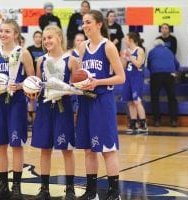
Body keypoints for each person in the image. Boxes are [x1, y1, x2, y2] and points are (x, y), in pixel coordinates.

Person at [76, 10, 125, 200]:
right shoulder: (82, 47)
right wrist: (77, 85)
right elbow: (81, 74)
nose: (85, 26)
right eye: (83, 23)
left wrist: (98, 82)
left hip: (102, 101)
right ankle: (91, 192)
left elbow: (121, 77)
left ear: (99, 24)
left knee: (107, 149)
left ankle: (114, 193)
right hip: (85, 100)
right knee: (89, 149)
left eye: (88, 22)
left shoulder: (108, 46)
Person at [26, 25, 79, 200]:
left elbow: (77, 87)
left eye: (50, 37)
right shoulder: (40, 61)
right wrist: (32, 92)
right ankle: (44, 188)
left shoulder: (71, 60)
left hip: (63, 108)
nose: (46, 41)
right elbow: (37, 85)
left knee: (67, 149)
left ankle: (70, 189)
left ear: (59, 38)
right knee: (45, 149)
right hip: (45, 108)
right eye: (45, 38)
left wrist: (64, 89)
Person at [0, 19, 34, 200]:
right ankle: (3, 186)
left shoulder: (24, 53)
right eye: (1, 31)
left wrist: (20, 85)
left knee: (16, 145)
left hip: (17, 104)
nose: (3, 34)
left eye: (7, 31)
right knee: (0, 145)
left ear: (15, 34)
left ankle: (16, 188)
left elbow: (33, 82)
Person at [147, 39, 179, 127]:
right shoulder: (169, 51)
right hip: (169, 75)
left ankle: (156, 120)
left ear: (154, 45)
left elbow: (149, 65)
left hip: (156, 75)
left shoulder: (152, 52)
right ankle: (173, 121)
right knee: (172, 98)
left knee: (155, 98)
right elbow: (176, 64)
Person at [121, 32, 148, 134]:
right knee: (130, 102)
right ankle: (133, 123)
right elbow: (123, 66)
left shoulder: (140, 50)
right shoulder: (126, 50)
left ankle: (143, 124)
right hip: (127, 77)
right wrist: (123, 57)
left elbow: (138, 64)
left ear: (131, 40)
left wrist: (130, 56)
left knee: (137, 101)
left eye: (126, 38)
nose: (124, 40)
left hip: (137, 77)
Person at [26, 30, 45, 129]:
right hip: (32, 76)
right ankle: (31, 121)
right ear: (34, 38)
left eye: (40, 37)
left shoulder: (45, 48)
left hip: (42, 76)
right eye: (36, 36)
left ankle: (39, 121)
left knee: (40, 99)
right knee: (32, 99)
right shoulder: (29, 49)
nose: (38, 38)